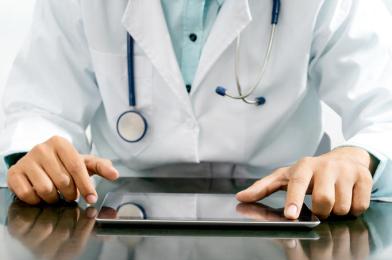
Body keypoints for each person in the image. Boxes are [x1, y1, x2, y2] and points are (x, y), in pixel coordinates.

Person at [1, 0, 392, 219]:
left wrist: (356, 157)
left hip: (285, 224)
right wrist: (36, 152)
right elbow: (37, 105)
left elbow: (384, 110)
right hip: (118, 226)